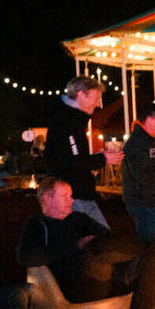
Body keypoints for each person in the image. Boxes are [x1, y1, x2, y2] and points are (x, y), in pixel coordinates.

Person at [16, 178, 142, 302]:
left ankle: (142, 256)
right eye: (65, 196)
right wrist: (76, 245)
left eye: (71, 196)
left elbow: (110, 237)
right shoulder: (37, 224)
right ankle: (135, 263)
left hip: (98, 276)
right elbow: (25, 257)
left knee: (142, 253)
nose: (71, 200)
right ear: (48, 199)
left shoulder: (78, 218)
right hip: (70, 285)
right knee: (97, 246)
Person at [44, 76, 123, 232]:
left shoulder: (72, 120)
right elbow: (72, 161)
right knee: (99, 239)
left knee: (92, 241)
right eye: (95, 98)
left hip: (79, 193)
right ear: (81, 95)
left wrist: (100, 158)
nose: (98, 103)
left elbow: (73, 157)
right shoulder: (66, 122)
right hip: (73, 196)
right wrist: (102, 158)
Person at [122, 105, 155, 246]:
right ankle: (144, 267)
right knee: (149, 244)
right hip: (142, 200)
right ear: (149, 121)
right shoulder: (137, 143)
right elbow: (142, 176)